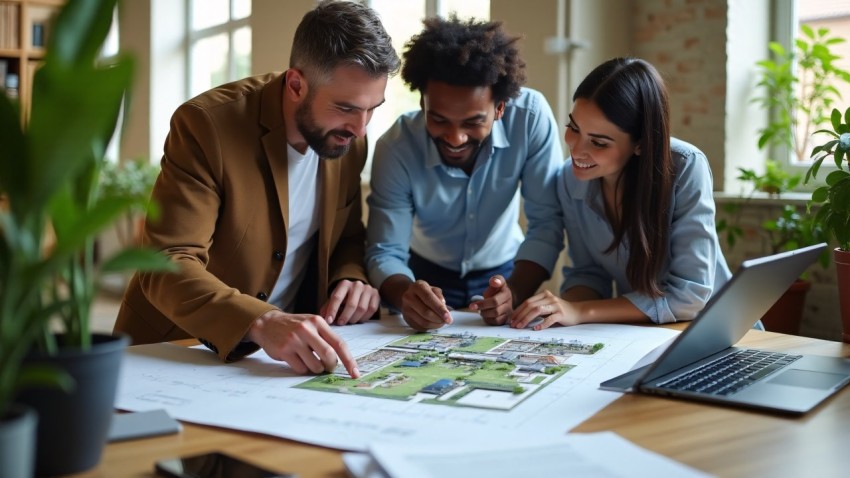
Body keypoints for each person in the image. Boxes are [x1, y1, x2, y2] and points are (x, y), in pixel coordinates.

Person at [114, 0, 401, 378]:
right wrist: (261, 321)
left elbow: (346, 234)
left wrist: (353, 278)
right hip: (177, 350)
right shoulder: (206, 126)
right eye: (346, 107)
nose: (361, 128)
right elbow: (167, 262)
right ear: (296, 83)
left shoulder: (349, 141)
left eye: (372, 108)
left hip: (275, 366)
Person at [365, 16, 564, 332]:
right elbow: (384, 250)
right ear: (422, 102)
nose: (455, 138)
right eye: (439, 120)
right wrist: (406, 295)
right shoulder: (396, 146)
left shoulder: (530, 118)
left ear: (500, 109)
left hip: (508, 269)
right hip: (423, 274)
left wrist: (516, 291)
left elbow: (547, 221)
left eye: (472, 122)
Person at [512, 57, 733, 330]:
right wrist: (557, 309)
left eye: (598, 142)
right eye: (573, 128)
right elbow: (588, 274)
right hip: (646, 335)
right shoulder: (570, 179)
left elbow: (689, 296)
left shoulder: (685, 166)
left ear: (640, 143)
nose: (577, 150)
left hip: (717, 332)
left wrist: (580, 311)